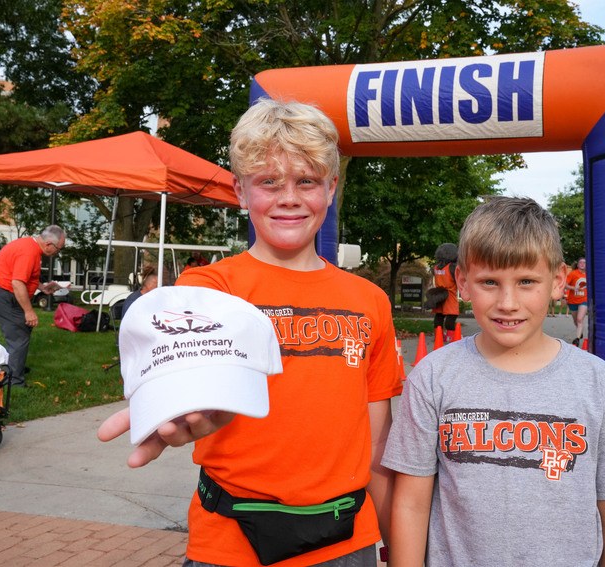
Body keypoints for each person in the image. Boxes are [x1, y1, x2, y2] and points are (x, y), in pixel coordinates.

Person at [98, 99, 402, 567]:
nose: (289, 198)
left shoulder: (370, 300)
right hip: (232, 541)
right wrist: (176, 404)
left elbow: (378, 442)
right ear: (240, 190)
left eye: (307, 181)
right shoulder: (209, 289)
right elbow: (182, 360)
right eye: (269, 182)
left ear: (332, 187)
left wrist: (394, 544)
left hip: (347, 538)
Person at [381, 197, 605, 567]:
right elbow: (411, 504)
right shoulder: (433, 377)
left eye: (526, 281)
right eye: (489, 282)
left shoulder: (597, 383)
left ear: (558, 281)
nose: (507, 302)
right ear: (463, 282)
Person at [0, 225, 66, 387]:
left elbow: (24, 276)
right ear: (49, 244)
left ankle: (14, 367)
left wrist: (42, 287)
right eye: (58, 249)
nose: (57, 252)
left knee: (21, 330)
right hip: (0, 294)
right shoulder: (29, 252)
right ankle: (14, 381)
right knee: (19, 334)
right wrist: (29, 311)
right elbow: (18, 283)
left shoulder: (30, 246)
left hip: (1, 292)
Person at [431, 243, 459, 342]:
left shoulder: (435, 268)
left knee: (439, 316)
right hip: (449, 295)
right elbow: (458, 279)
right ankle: (450, 337)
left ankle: (438, 336)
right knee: (452, 316)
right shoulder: (452, 267)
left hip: (438, 294)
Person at [566, 256, 588, 345]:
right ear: (577, 265)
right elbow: (565, 285)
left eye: (584, 263)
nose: (583, 264)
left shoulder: (588, 275)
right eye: (581, 262)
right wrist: (573, 288)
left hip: (584, 300)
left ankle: (577, 339)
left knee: (579, 319)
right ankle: (580, 332)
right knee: (576, 321)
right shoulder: (573, 274)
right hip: (572, 300)